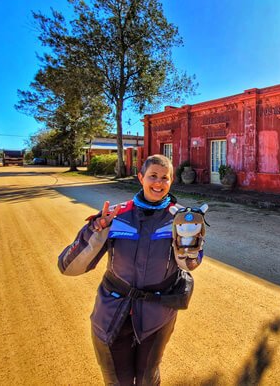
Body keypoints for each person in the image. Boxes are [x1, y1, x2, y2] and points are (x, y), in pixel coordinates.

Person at [58, 154, 206, 385]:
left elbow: (189, 265)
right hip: (111, 313)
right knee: (118, 381)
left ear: (171, 180)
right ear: (140, 177)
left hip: (157, 315)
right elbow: (68, 267)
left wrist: (190, 244)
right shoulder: (116, 215)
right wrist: (96, 231)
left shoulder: (180, 219)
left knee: (148, 378)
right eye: (153, 176)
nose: (158, 183)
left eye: (164, 178)